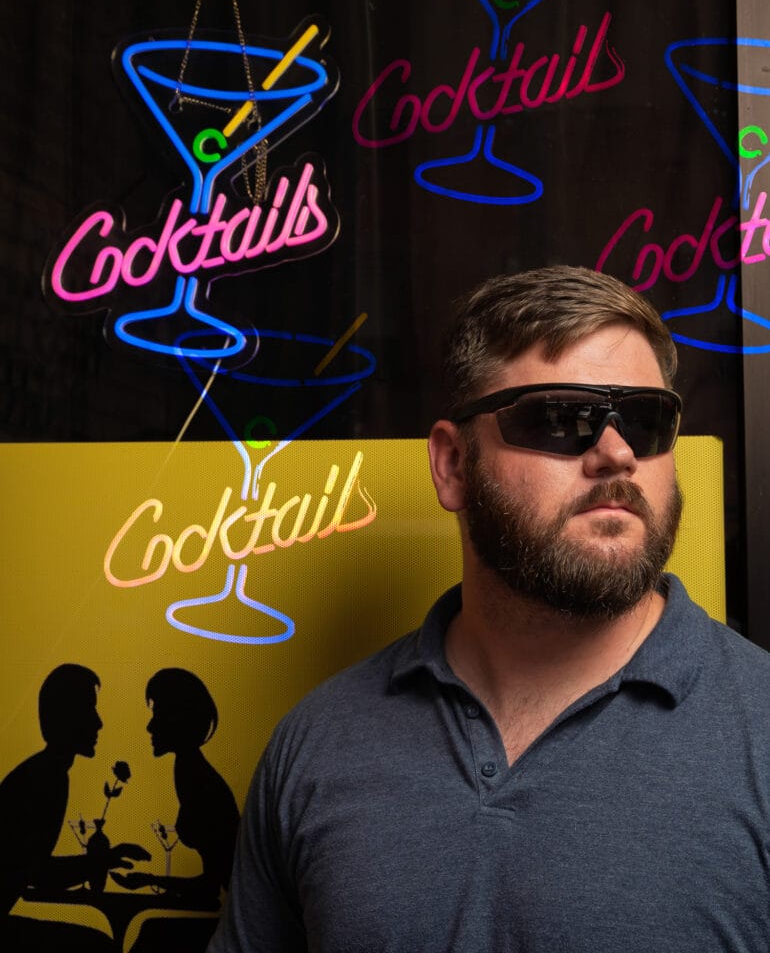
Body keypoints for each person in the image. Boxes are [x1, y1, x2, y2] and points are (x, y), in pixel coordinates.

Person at [207, 267, 770, 952]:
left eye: (648, 422)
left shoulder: (759, 732)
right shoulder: (320, 744)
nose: (618, 453)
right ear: (452, 464)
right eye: (563, 418)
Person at [0, 663, 149, 949]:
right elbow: (39, 874)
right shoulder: (46, 778)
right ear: (66, 717)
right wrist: (102, 861)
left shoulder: (45, 772)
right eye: (89, 710)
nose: (98, 723)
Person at [111, 669, 240, 952]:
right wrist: (149, 880)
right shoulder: (189, 772)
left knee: (150, 937)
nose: (150, 727)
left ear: (181, 719)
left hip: (239, 928)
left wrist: (150, 880)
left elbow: (211, 888)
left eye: (159, 714)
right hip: (232, 920)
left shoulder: (200, 782)